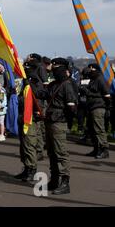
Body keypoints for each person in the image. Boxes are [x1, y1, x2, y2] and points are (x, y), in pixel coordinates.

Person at [35, 58, 78, 195]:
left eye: (57, 67)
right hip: (49, 120)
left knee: (61, 153)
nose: (54, 69)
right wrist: (31, 85)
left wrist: (66, 119)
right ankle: (54, 180)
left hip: (59, 122)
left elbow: (72, 106)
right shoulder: (53, 84)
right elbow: (43, 94)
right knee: (52, 152)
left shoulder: (67, 84)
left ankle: (65, 182)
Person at [82, 64, 111, 159]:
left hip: (98, 107)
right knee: (91, 129)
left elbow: (106, 95)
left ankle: (104, 149)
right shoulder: (93, 80)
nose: (89, 70)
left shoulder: (100, 79)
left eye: (91, 69)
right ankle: (96, 149)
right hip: (91, 106)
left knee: (99, 129)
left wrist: (88, 92)